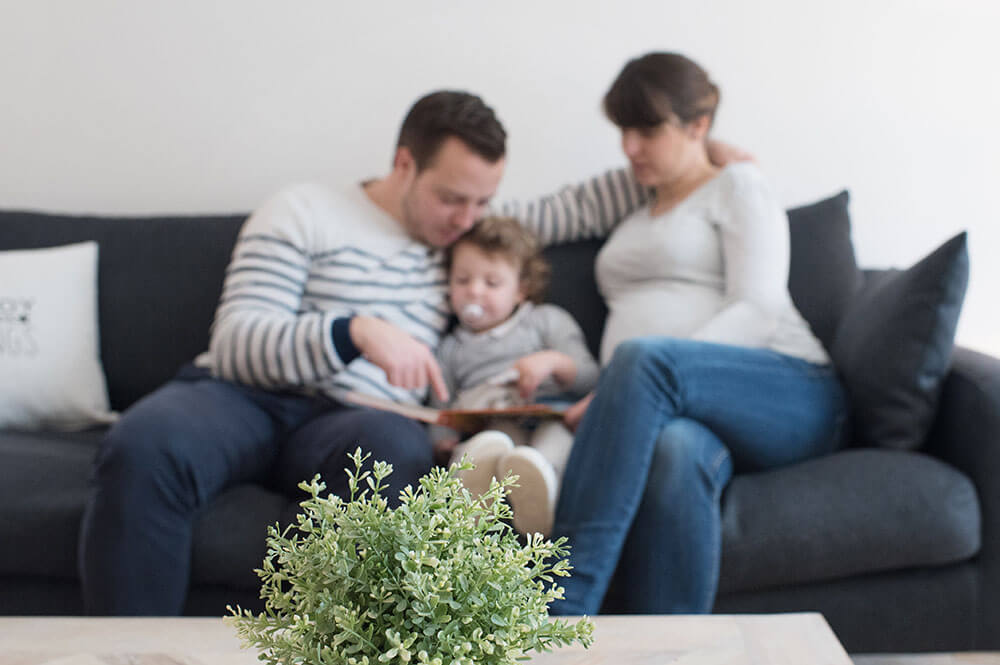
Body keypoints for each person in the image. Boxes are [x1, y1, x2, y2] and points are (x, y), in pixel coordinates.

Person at [78, 88, 662, 616]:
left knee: (391, 452)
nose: (468, 220)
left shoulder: (467, 235)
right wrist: (353, 331)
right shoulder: (303, 210)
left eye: (483, 203)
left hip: (360, 420)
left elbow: (583, 205)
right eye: (452, 198)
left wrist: (703, 159)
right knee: (145, 443)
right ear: (404, 164)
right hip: (243, 396)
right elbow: (237, 342)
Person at [547, 52, 848, 615]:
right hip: (683, 414)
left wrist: (626, 390)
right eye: (624, 131)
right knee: (675, 451)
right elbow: (535, 218)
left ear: (698, 126)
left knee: (641, 364)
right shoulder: (632, 206)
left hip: (788, 391)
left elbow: (757, 309)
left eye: (647, 130)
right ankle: (677, 649)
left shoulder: (738, 184)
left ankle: (557, 614)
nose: (630, 146)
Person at [430, 216, 599, 537]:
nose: (474, 292)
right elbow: (440, 400)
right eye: (462, 280)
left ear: (521, 289)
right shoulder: (451, 347)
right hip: (491, 422)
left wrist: (553, 362)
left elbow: (591, 377)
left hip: (551, 417)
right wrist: (439, 440)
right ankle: (471, 501)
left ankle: (540, 494)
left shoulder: (547, 321)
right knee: (487, 447)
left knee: (552, 447)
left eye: (492, 283)